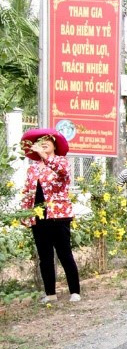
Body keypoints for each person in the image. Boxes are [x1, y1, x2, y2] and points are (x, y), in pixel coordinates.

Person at [19, 128, 80, 303]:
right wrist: (25, 211)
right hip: (38, 217)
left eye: (48, 140)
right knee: (44, 256)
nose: (43, 142)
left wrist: (46, 157)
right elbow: (28, 192)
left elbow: (62, 173)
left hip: (59, 215)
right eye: (40, 141)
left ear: (54, 145)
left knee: (64, 253)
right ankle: (50, 293)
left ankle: (74, 291)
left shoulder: (61, 162)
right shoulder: (32, 169)